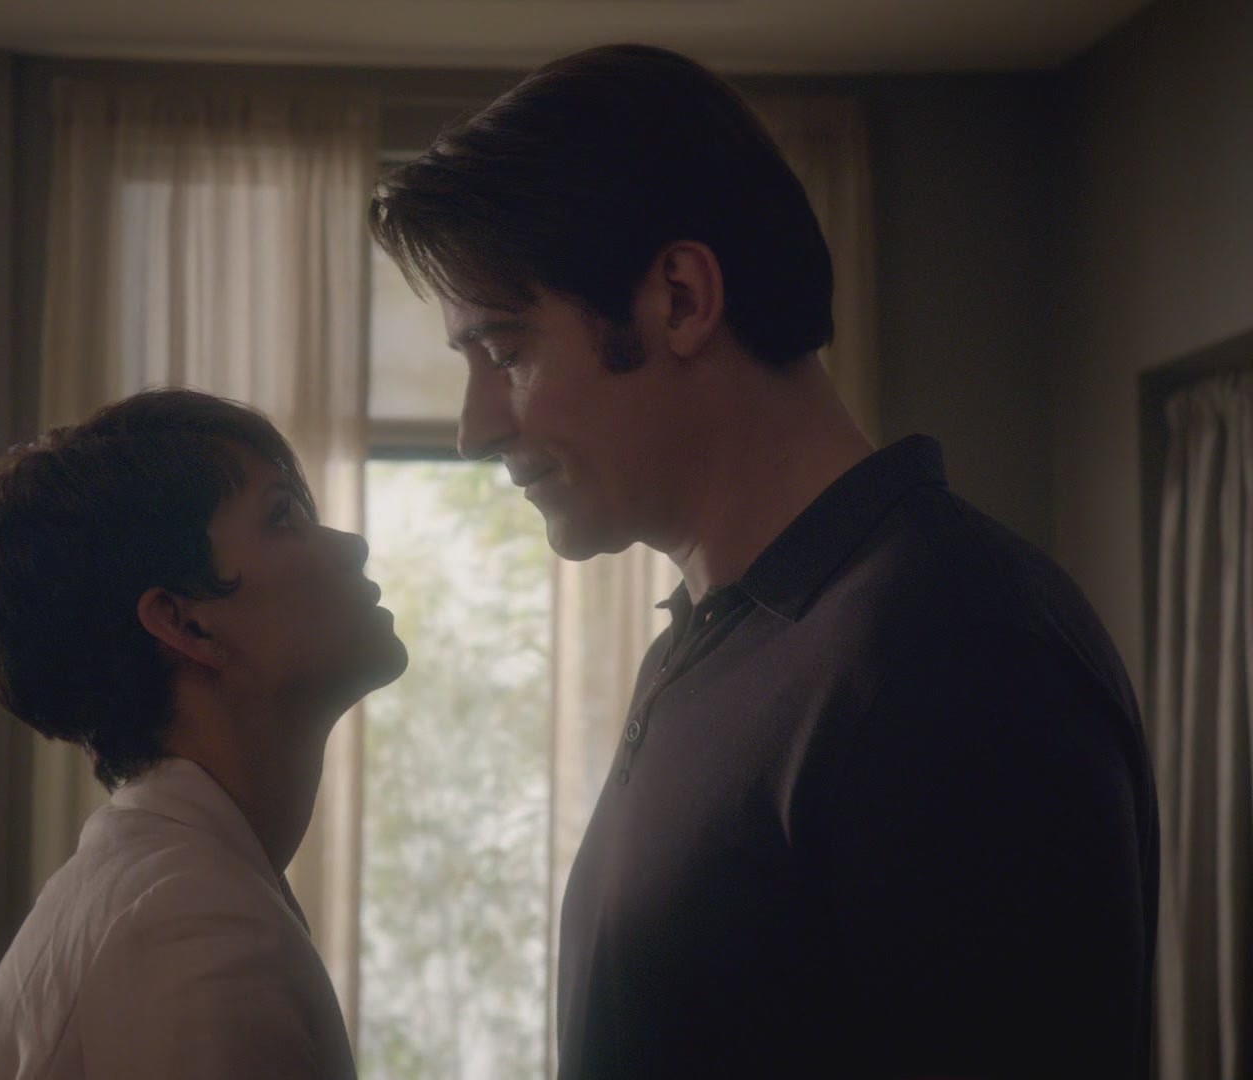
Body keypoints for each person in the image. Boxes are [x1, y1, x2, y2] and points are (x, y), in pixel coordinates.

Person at [369, 43, 1157, 1080]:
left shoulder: (956, 652)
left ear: (682, 299)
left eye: (507, 353)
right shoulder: (717, 641)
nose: (473, 432)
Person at [0, 387, 403, 1080]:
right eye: (282, 516)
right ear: (186, 624)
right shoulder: (190, 924)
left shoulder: (181, 889)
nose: (351, 545)